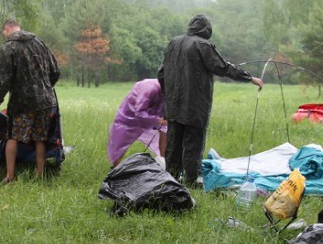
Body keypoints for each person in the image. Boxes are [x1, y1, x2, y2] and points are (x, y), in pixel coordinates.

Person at [157, 14, 264, 188]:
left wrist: (168, 97)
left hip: (173, 107)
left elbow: (161, 74)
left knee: (173, 145)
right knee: (193, 144)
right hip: (195, 107)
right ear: (207, 30)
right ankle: (191, 182)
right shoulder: (203, 45)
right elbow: (223, 67)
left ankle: (171, 181)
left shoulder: (173, 43)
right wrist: (250, 78)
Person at [0, 19, 60, 181]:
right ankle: (39, 174)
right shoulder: (40, 43)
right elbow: (56, 71)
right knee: (40, 138)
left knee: (13, 136)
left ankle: (10, 176)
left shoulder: (8, 47)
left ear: (6, 30)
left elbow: (3, 81)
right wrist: (45, 88)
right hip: (46, 101)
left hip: (22, 103)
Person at [107, 79, 167, 167]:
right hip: (131, 111)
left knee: (164, 128)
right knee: (122, 136)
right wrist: (157, 120)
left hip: (156, 108)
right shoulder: (150, 88)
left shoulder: (169, 93)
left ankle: (164, 162)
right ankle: (115, 167)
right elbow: (139, 112)